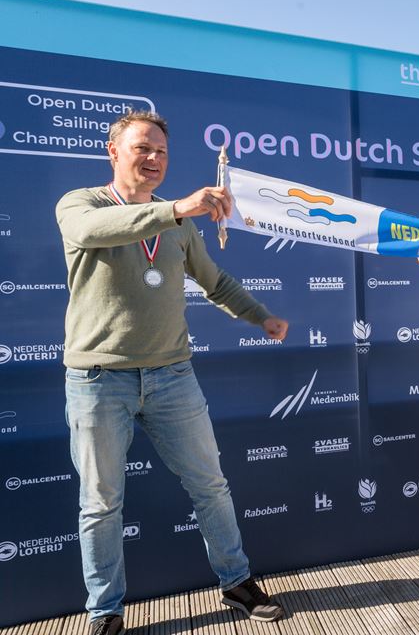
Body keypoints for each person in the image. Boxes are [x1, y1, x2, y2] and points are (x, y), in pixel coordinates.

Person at [55, 111, 289, 634]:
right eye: (142, 148)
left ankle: (236, 581)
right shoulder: (80, 203)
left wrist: (261, 316)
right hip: (98, 379)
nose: (155, 159)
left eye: (161, 151)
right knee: (100, 503)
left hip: (171, 377)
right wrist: (176, 209)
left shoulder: (178, 222)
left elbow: (215, 281)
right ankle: (105, 610)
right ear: (113, 152)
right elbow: (93, 231)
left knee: (211, 485)